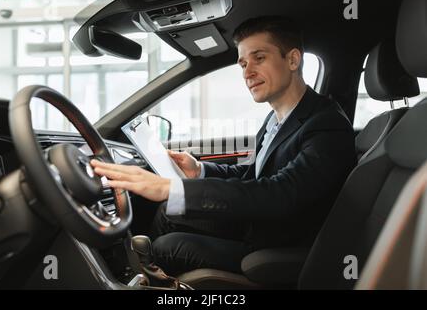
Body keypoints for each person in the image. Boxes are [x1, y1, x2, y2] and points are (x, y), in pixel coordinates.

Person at [91, 16, 357, 276]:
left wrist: (169, 187)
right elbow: (252, 176)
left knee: (164, 247)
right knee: (167, 211)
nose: (248, 73)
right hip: (259, 225)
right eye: (242, 64)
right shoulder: (277, 119)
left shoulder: (326, 124)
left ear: (292, 59)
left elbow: (280, 193)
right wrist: (199, 171)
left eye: (259, 58)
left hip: (279, 248)